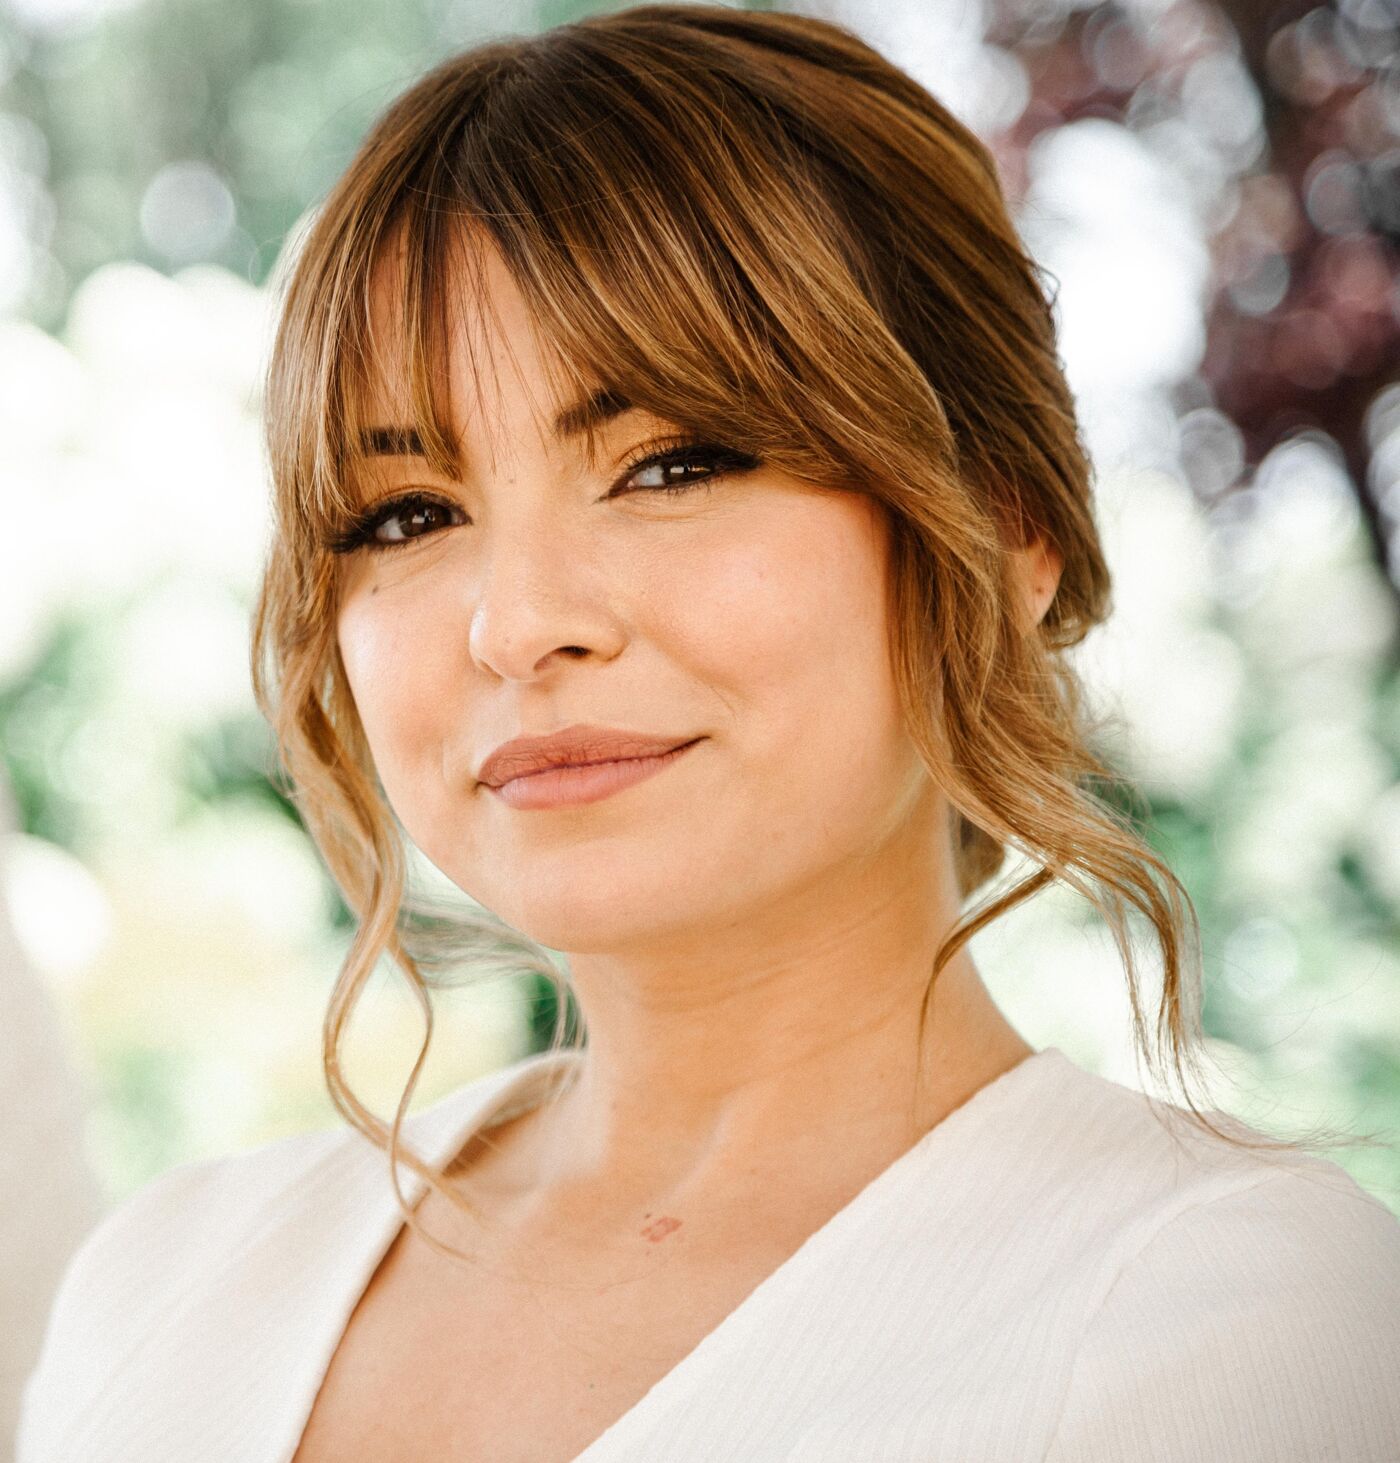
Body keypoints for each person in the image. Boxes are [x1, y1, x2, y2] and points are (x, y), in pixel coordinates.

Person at [17, 6, 1400, 1461]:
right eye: (410, 514)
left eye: (673, 463)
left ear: (1008, 530)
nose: (516, 621)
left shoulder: (1233, 1326)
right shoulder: (163, 1288)